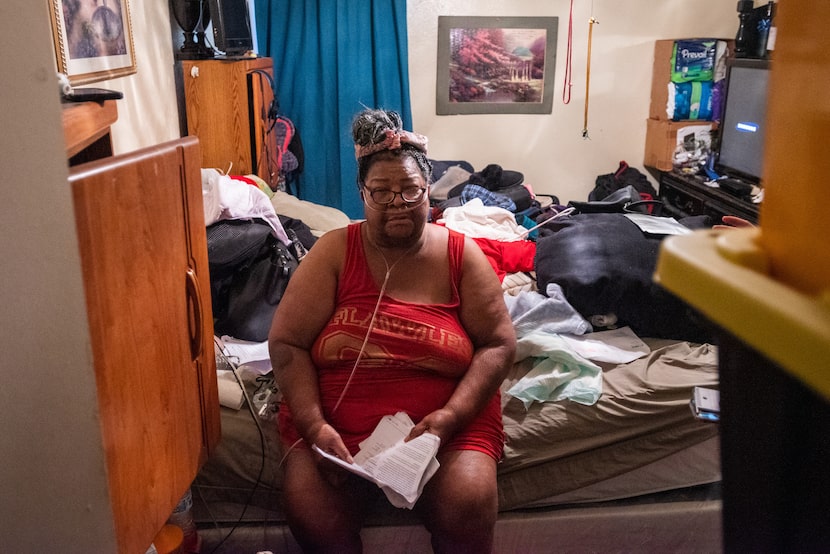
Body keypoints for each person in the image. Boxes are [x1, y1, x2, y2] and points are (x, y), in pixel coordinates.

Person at [268, 108, 517, 553]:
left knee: (468, 504)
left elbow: (499, 343)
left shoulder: (462, 256)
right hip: (334, 428)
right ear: (362, 193)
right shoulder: (333, 253)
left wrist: (450, 418)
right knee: (312, 513)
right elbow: (287, 343)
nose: (396, 204)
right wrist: (314, 426)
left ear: (429, 193)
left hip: (448, 426)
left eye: (409, 191)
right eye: (380, 193)